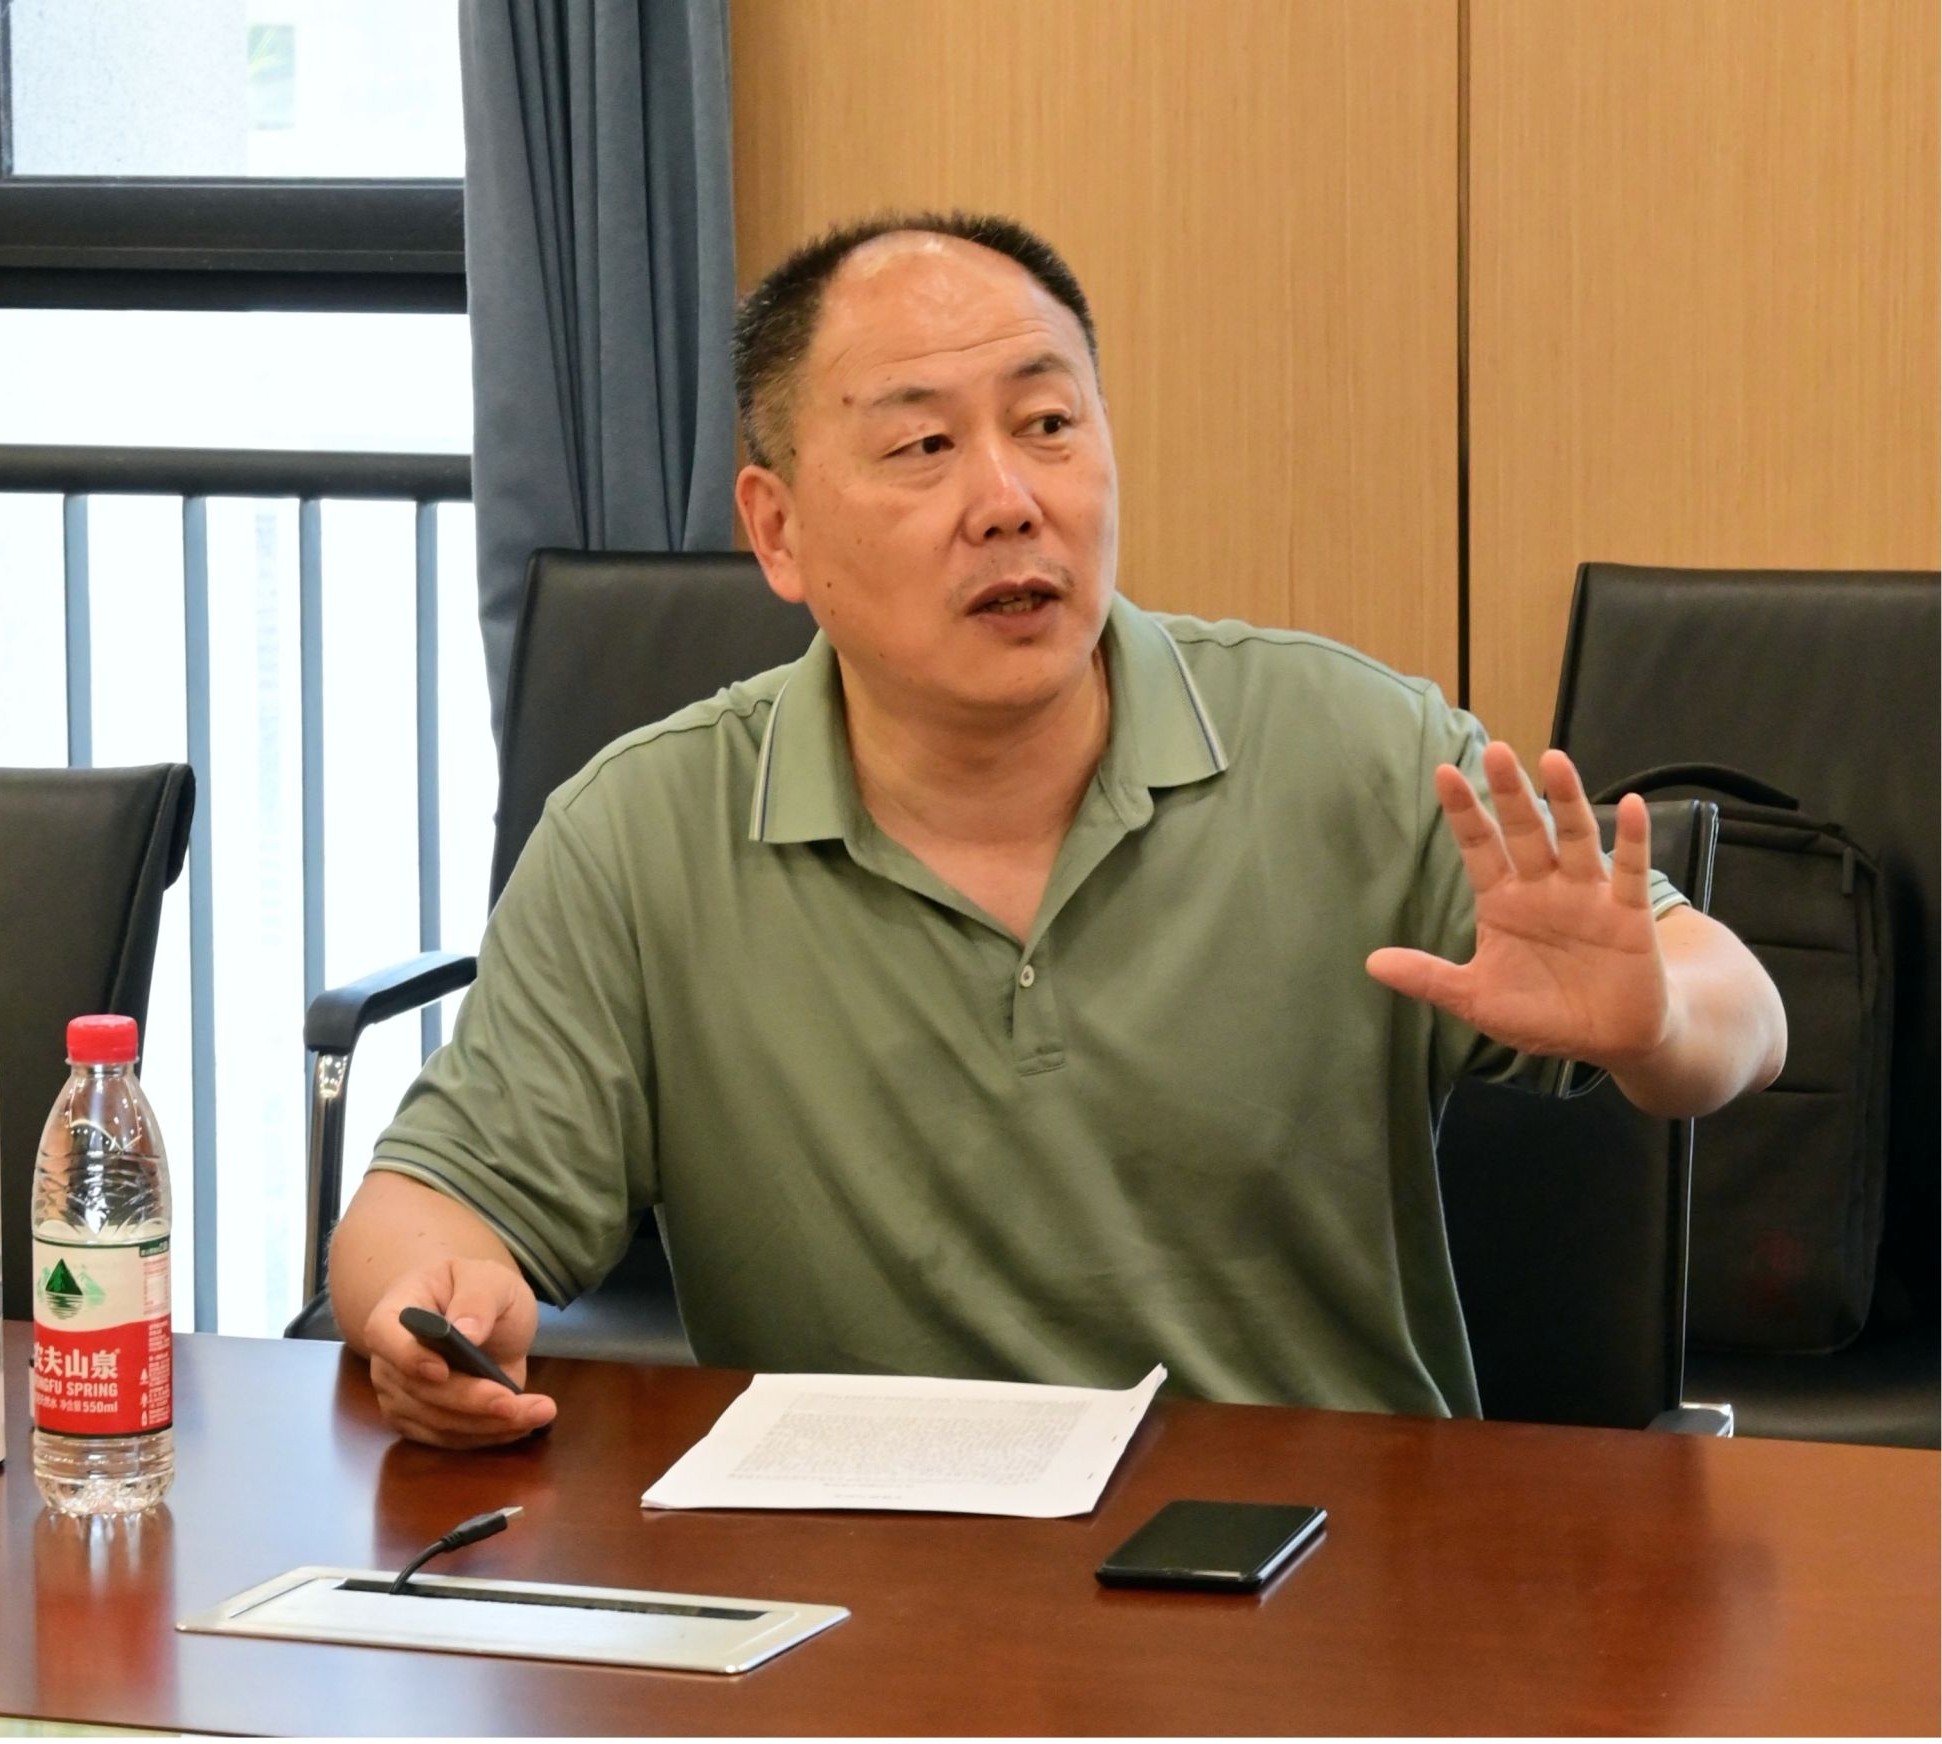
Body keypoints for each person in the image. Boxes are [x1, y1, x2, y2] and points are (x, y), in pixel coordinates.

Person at [329, 211, 1786, 1449]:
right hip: (856, 1585)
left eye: (1048, 426)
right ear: (777, 531)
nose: (1009, 501)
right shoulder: (644, 832)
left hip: (1316, 1571)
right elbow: (427, 1204)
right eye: (922, 444)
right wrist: (430, 1310)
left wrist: (1656, 1018)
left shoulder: (1349, 747)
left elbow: (1745, 1013)